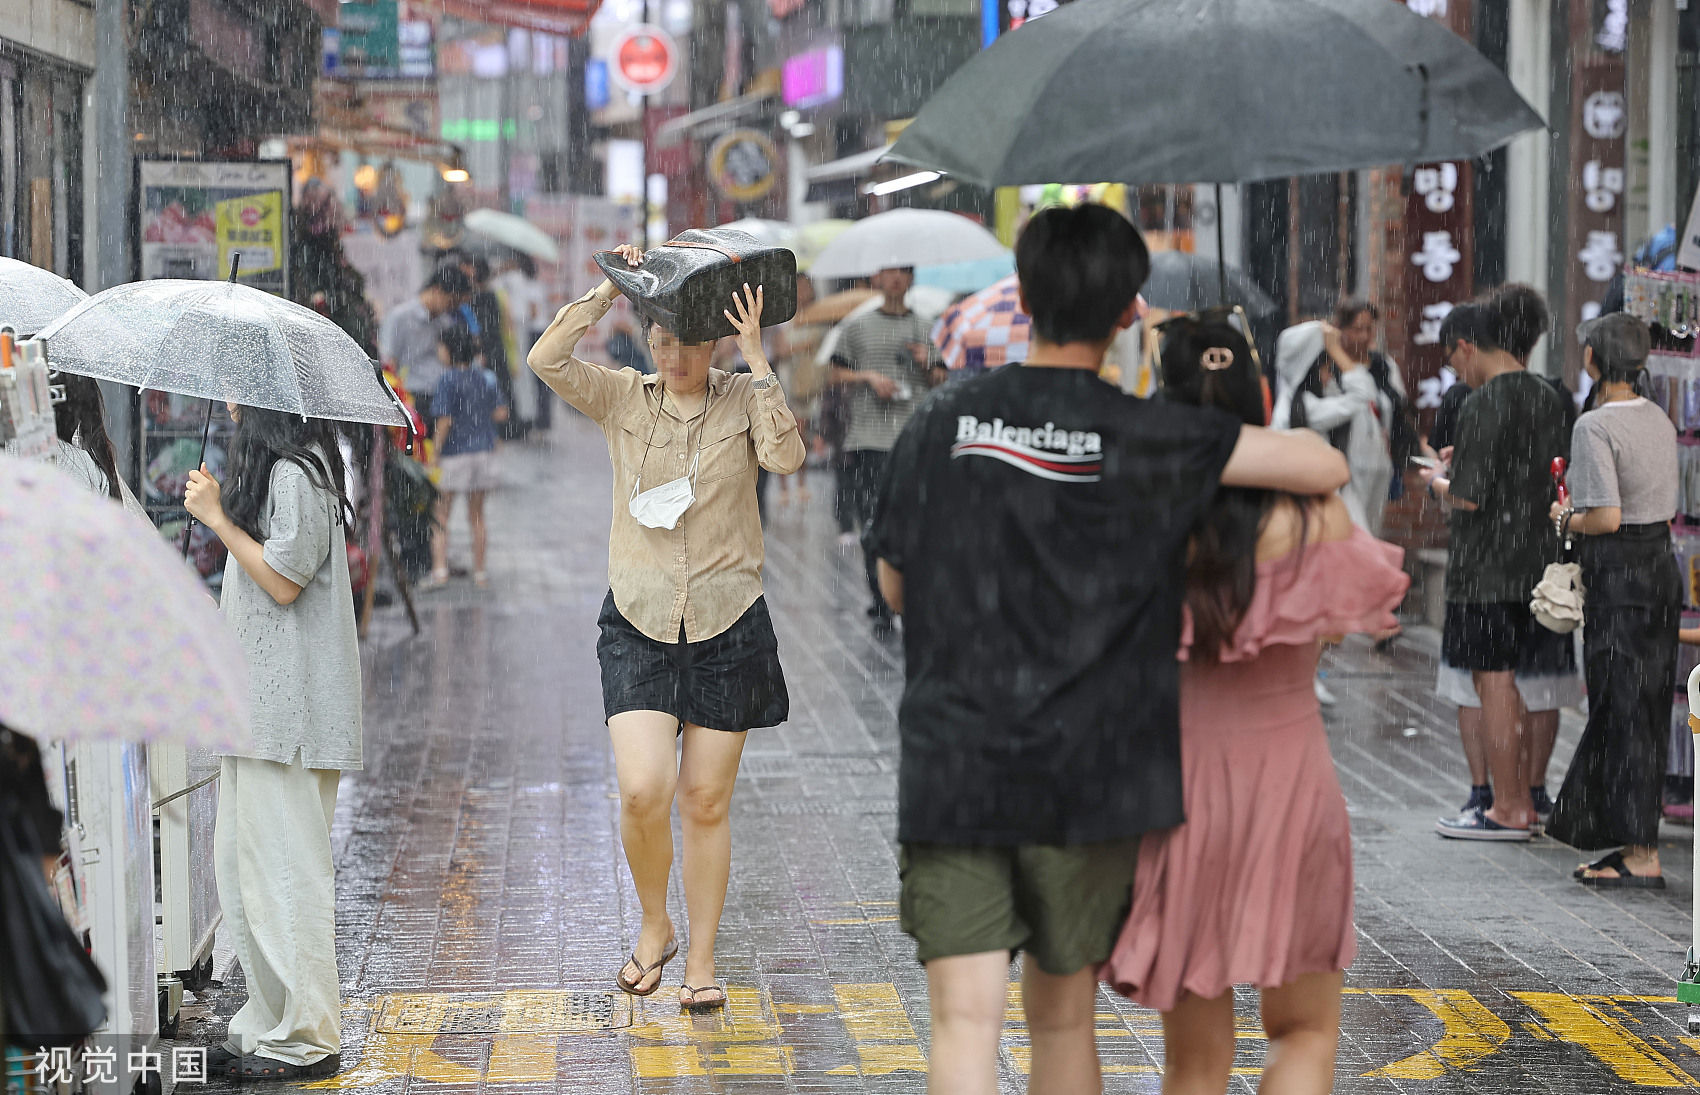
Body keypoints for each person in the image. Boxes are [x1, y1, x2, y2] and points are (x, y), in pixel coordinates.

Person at [865, 204, 1349, 1094]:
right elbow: (1322, 469)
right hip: (1088, 772)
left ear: (1024, 295)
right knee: (1061, 1021)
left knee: (964, 1023)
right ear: (1130, 311)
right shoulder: (1144, 434)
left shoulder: (942, 419)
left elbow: (894, 586)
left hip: (956, 760)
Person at [1102, 313, 1408, 1095]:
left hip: (1182, 789)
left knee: (1195, 1063)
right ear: (1258, 391)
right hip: (1293, 783)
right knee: (1304, 1034)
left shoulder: (1135, 514)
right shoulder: (1317, 515)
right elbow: (1337, 627)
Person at [527, 244, 805, 1012]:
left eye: (686, 341)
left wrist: (759, 359)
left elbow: (786, 456)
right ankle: (657, 923)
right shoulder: (623, 398)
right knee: (645, 788)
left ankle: (702, 963)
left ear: (713, 341)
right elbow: (547, 360)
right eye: (659, 339)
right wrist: (604, 290)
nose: (672, 354)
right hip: (641, 617)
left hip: (728, 621)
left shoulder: (744, 398)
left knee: (706, 801)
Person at [183, 407, 361, 1081]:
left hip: (291, 719)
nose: (228, 406)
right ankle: (265, 1024)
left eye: (237, 395)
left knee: (286, 878)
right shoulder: (280, 474)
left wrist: (219, 520)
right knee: (247, 874)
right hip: (259, 711)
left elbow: (283, 582)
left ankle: (308, 1036)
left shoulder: (298, 474)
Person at [1420, 286, 1572, 841]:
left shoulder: (1484, 401)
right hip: (1539, 562)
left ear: (1469, 345)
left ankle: (1507, 807)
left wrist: (1437, 482)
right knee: (1532, 683)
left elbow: (1468, 497)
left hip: (1486, 569)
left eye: (1455, 358)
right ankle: (1528, 797)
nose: (1457, 371)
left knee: (1495, 684)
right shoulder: (1550, 397)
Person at [1546, 313, 1681, 886]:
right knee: (1645, 708)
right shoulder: (1658, 418)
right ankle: (1636, 839)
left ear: (1594, 359)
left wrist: (1565, 516)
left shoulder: (1595, 426)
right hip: (1660, 569)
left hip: (1621, 574)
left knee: (1620, 706)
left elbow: (1606, 517)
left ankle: (1638, 849)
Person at [829, 266, 947, 635]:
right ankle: (880, 599)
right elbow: (833, 374)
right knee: (874, 521)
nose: (895, 279)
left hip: (915, 437)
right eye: (889, 273)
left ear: (911, 279)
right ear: (878, 279)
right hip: (869, 439)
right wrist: (867, 377)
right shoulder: (856, 327)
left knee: (918, 521)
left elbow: (943, 378)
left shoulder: (930, 327)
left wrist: (927, 362)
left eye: (903, 273)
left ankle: (911, 596)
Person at [1274, 300, 1410, 537]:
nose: (1329, 372)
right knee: (1360, 542)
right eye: (1325, 365)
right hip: (1337, 483)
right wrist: (1336, 349)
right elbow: (1363, 393)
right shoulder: (1305, 407)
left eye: (1370, 328)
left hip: (1358, 472)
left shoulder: (1302, 402)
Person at [423, 324, 509, 590]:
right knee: (477, 516)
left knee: (441, 515)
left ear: (448, 349)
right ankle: (480, 573)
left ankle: (439, 571)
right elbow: (501, 413)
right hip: (483, 453)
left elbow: (445, 420)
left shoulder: (447, 379)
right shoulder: (485, 377)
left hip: (454, 455)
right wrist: (480, 418)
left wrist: (434, 453)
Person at [379, 265, 472, 437]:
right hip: (412, 400)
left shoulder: (444, 323)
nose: (452, 308)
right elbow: (388, 362)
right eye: (451, 301)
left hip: (442, 398)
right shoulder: (400, 317)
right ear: (436, 290)